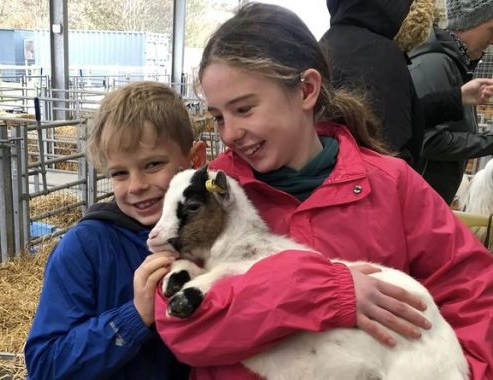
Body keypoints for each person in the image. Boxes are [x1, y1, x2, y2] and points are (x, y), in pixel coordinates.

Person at [154, 3, 493, 380]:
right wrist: (319, 291)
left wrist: (467, 371)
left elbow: (472, 291)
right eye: (219, 117)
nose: (229, 133)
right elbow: (182, 326)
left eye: (244, 109)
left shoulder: (391, 183)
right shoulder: (206, 197)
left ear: (306, 90)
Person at [24, 81, 206, 379]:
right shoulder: (85, 247)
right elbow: (45, 364)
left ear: (195, 159)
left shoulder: (213, 234)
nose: (136, 186)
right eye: (120, 173)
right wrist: (134, 316)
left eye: (153, 164)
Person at [320, 0, 493, 170]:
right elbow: (394, 146)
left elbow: (399, 113)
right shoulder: (380, 54)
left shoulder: (334, 44)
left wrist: (457, 98)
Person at [408, 0, 493, 204]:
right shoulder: (437, 64)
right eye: (491, 30)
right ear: (470, 21)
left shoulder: (456, 67)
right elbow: (428, 141)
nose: (492, 41)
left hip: (428, 201)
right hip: (418, 201)